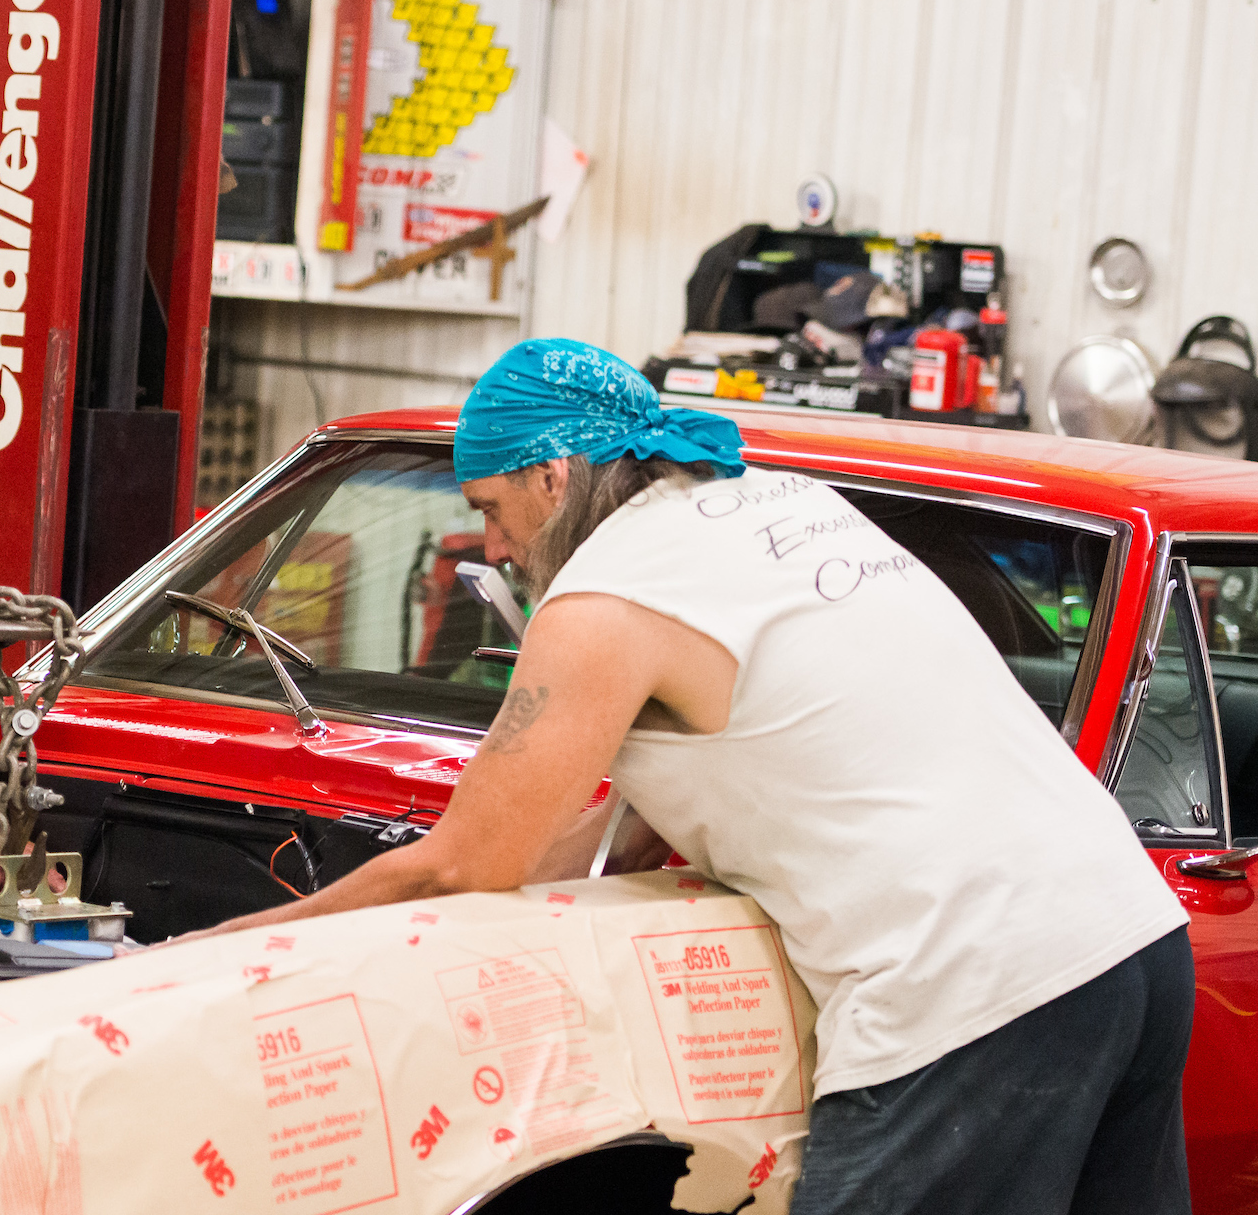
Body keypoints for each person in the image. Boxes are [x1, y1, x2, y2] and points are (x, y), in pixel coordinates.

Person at [197, 338, 1194, 1213]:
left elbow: (462, 866)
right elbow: (648, 810)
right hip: (1134, 941)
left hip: (978, 987)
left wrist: (224, 950)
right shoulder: (773, 504)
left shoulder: (603, 599)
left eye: (491, 509)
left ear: (551, 477)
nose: (490, 545)